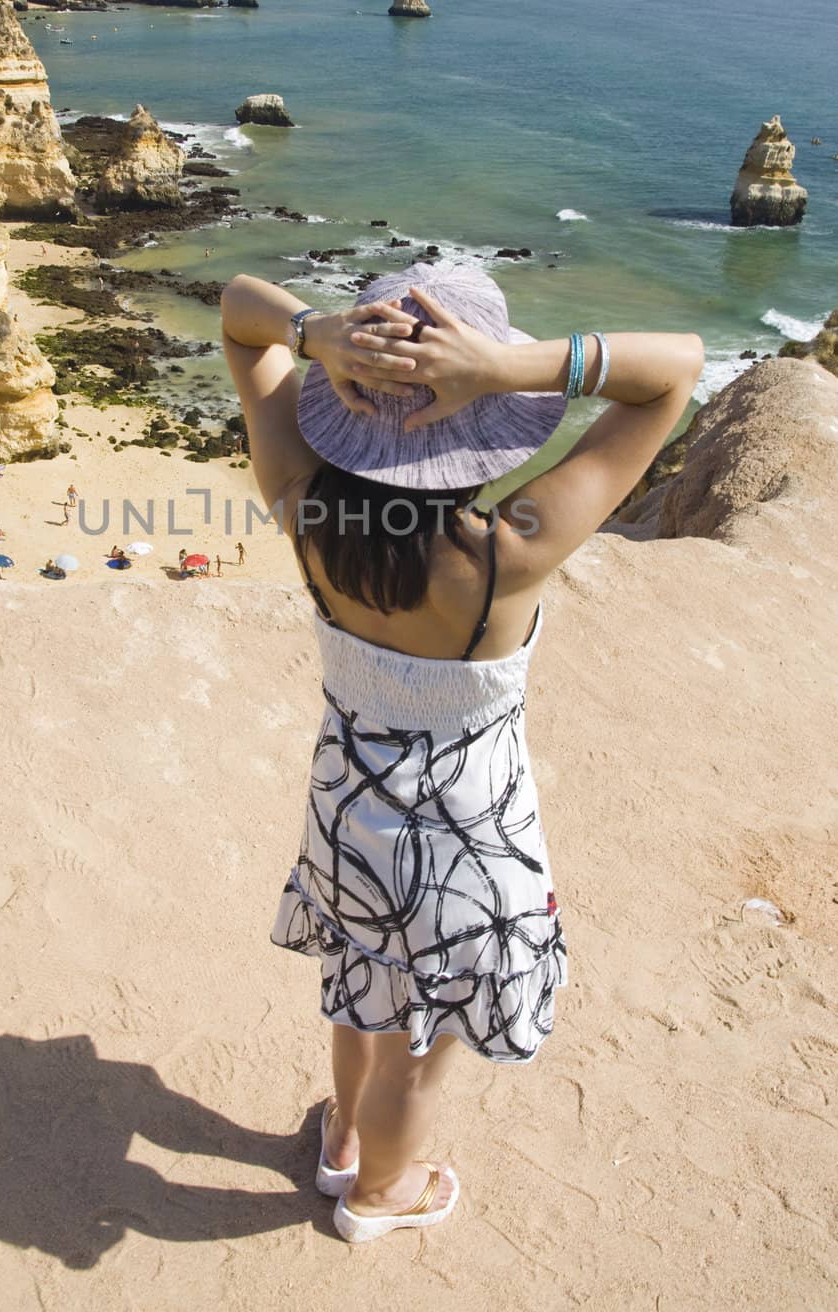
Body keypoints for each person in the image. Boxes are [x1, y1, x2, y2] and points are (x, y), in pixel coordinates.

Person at [220, 264, 703, 1244]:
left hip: (343, 808)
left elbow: (239, 322)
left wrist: (319, 332)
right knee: (419, 1042)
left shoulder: (297, 498)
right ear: (479, 425)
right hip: (461, 844)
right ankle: (377, 1197)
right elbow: (672, 373)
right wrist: (503, 365)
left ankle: (342, 1141)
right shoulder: (506, 552)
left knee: (361, 991)